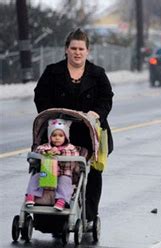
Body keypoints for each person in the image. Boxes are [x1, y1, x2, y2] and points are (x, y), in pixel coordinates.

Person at [34, 29, 114, 225]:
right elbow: (40, 96)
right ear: (66, 50)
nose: (77, 52)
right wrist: (52, 113)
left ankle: (88, 216)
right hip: (58, 131)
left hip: (89, 132)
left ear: (87, 51)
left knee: (93, 172)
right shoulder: (53, 72)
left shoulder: (97, 74)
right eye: (73, 48)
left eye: (81, 48)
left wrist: (96, 113)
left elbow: (106, 99)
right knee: (51, 166)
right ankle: (48, 217)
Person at [25, 119, 79, 211]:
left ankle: (61, 200)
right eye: (54, 135)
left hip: (63, 173)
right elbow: (38, 150)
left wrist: (60, 152)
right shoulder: (46, 146)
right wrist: (47, 152)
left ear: (65, 137)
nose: (57, 138)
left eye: (60, 135)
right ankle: (31, 195)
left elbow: (75, 155)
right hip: (47, 173)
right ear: (50, 137)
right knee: (36, 177)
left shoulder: (70, 148)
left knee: (65, 182)